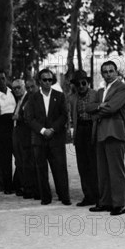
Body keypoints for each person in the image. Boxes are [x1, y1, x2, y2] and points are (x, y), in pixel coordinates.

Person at [86, 61, 125, 216]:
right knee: (102, 171)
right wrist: (99, 106)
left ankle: (118, 204)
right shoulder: (99, 91)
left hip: (115, 133)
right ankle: (105, 202)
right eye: (105, 71)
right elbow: (88, 107)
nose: (108, 74)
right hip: (100, 133)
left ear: (117, 72)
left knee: (116, 170)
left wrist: (97, 109)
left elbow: (113, 107)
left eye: (111, 71)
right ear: (101, 74)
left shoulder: (123, 88)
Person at [25, 68, 71, 205]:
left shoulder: (59, 95)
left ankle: (64, 196)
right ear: (39, 81)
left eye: (50, 80)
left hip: (56, 138)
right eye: (44, 80)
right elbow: (29, 118)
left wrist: (53, 129)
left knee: (60, 168)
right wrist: (43, 130)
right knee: (41, 169)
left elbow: (64, 115)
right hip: (39, 139)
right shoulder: (32, 98)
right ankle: (45, 197)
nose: (47, 82)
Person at [70, 70, 99, 206]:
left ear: (88, 83)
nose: (81, 86)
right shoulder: (73, 98)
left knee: (94, 164)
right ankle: (88, 195)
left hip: (92, 130)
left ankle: (98, 195)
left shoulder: (96, 94)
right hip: (80, 130)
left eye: (83, 83)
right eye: (78, 84)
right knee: (82, 165)